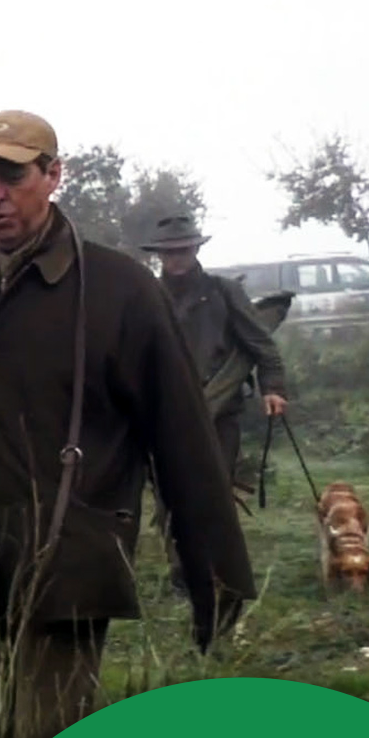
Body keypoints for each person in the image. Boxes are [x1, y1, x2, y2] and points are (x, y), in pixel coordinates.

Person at [0, 110, 255, 738]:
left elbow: (182, 436)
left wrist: (216, 572)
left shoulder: (120, 292)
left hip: (69, 561)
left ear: (52, 175)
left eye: (12, 176)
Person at [138, 213, 289, 592]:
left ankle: (219, 572)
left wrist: (273, 387)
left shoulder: (224, 292)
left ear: (195, 249)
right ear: (159, 255)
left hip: (218, 414)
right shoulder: (145, 297)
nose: (176, 258)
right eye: (169, 251)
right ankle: (183, 574)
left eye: (183, 249)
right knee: (168, 496)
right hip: (162, 416)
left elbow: (261, 345)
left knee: (213, 492)